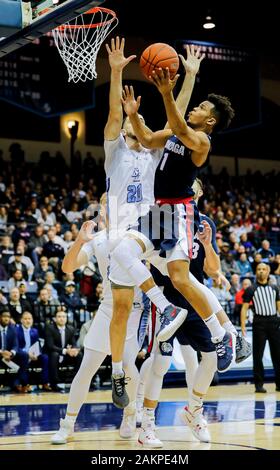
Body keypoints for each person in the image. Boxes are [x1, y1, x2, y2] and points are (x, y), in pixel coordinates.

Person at [108, 60, 235, 405]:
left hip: (179, 212)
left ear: (209, 121)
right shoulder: (177, 134)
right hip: (157, 211)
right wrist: (133, 114)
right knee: (122, 250)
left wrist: (167, 93)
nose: (195, 108)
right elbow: (148, 137)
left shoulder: (200, 141)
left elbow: (178, 126)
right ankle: (166, 308)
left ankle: (221, 334)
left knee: (181, 278)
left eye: (201, 108)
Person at [137, 179, 251, 447]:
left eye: (193, 182)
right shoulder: (160, 215)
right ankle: (147, 422)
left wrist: (209, 246)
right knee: (161, 362)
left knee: (211, 357)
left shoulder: (205, 222)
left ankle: (194, 410)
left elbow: (212, 269)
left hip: (196, 298)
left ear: (197, 192)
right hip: (167, 299)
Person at [51, 199, 150, 444]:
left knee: (128, 363)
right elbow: (67, 267)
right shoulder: (97, 239)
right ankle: (68, 424)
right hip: (107, 307)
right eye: (106, 201)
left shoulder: (138, 235)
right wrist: (80, 241)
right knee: (87, 368)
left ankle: (129, 414)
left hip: (134, 309)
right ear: (103, 208)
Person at [241, 263, 280, 393]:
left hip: (274, 322)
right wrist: (242, 326)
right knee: (258, 356)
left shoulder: (275, 288)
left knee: (278, 355)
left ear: (268, 272)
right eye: (259, 269)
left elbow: (279, 306)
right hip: (259, 323)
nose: (261, 271)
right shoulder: (251, 289)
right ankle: (259, 385)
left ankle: (279, 384)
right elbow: (244, 308)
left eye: (264, 269)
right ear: (256, 272)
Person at [45, 309, 82, 392]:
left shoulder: (71, 329)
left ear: (66, 318)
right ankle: (55, 383)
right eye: (59, 317)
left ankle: (77, 381)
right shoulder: (49, 328)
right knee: (54, 355)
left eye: (64, 317)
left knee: (79, 355)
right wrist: (65, 351)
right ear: (55, 319)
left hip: (66, 355)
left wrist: (74, 350)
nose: (62, 319)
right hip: (53, 353)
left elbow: (74, 343)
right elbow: (50, 346)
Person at [16, 311, 51, 391]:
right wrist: (27, 354)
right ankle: (25, 384)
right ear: (21, 320)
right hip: (21, 355)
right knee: (24, 357)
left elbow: (37, 345)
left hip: (32, 355)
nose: (28, 321)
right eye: (25, 319)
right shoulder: (16, 330)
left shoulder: (35, 331)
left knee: (45, 357)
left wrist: (36, 353)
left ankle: (45, 382)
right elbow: (16, 347)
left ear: (32, 320)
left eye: (29, 319)